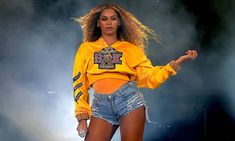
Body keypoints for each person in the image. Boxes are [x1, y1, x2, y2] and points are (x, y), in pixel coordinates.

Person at [72, 2, 197, 141]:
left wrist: (177, 63)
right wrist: (82, 118)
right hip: (100, 107)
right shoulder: (86, 49)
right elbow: (79, 83)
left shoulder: (131, 49)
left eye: (113, 18)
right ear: (97, 23)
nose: (109, 23)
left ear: (119, 22)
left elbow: (150, 78)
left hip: (129, 102)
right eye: (104, 19)